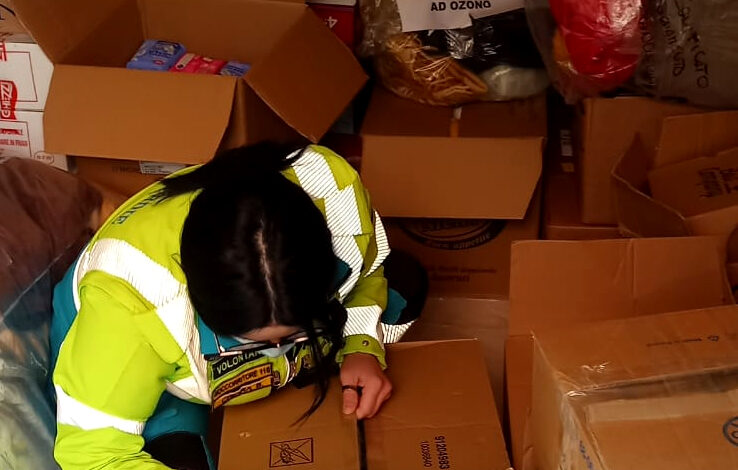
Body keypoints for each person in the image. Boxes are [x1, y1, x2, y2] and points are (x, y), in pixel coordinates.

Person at [49, 143, 426, 469]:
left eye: (292, 333)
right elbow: (94, 454)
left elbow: (368, 270)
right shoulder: (127, 307)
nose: (276, 349)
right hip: (162, 382)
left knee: (404, 285)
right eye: (253, 341)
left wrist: (361, 346)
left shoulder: (335, 191)